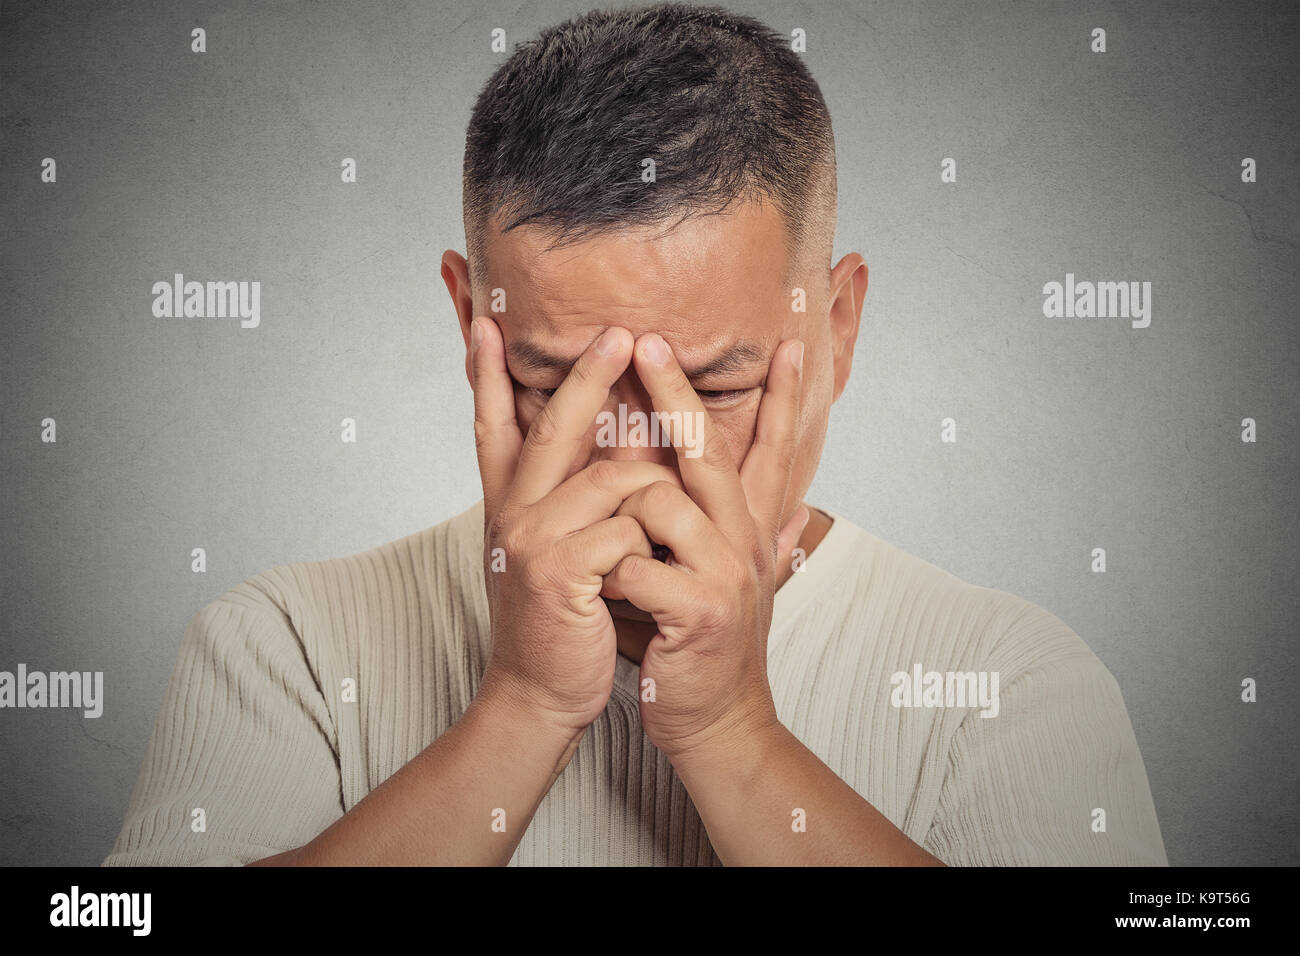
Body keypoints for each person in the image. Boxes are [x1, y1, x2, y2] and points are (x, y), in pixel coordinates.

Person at [103, 2, 1167, 866]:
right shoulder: (284, 645)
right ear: (472, 327)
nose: (630, 465)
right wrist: (518, 709)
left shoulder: (1014, 683)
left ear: (834, 331)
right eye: (554, 382)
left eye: (710, 385)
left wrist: (734, 739)